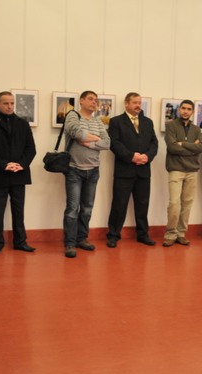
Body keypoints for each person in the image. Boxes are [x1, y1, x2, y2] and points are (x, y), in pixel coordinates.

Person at [0, 91, 37, 255]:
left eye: (12, 103)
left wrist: (21, 165)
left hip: (19, 173)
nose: (10, 106)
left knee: (19, 211)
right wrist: (4, 165)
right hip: (0, 173)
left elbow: (31, 149)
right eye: (6, 103)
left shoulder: (23, 124)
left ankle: (20, 241)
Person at [106, 92, 159, 248]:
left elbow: (154, 143)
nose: (138, 105)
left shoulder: (148, 122)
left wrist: (147, 156)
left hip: (143, 170)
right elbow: (114, 143)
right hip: (124, 171)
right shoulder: (116, 121)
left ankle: (143, 234)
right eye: (135, 102)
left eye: (139, 103)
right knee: (119, 205)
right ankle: (113, 235)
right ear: (126, 104)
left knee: (142, 205)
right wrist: (131, 157)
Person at [62, 91, 111, 258]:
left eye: (95, 100)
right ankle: (70, 243)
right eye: (90, 99)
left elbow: (107, 143)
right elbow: (76, 133)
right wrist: (96, 138)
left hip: (93, 170)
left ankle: (82, 239)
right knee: (72, 209)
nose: (94, 102)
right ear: (81, 101)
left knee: (87, 209)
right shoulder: (73, 116)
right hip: (74, 170)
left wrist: (89, 143)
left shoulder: (98, 121)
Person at [163, 100, 202, 247]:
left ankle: (181, 233)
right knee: (174, 203)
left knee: (187, 204)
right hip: (176, 169)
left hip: (192, 171)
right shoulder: (171, 126)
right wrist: (192, 148)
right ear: (179, 109)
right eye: (183, 108)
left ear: (192, 112)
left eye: (189, 109)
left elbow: (201, 148)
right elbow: (172, 147)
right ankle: (170, 233)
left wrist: (184, 144)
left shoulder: (196, 129)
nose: (186, 111)